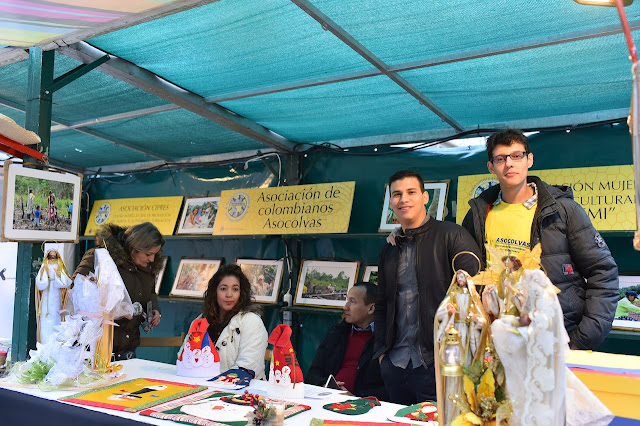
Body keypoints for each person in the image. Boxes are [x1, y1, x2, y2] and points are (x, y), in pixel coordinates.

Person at [461, 129, 618, 350]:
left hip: (556, 339)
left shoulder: (564, 211)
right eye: (501, 158)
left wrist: (581, 339)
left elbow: (603, 272)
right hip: (496, 342)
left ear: (529, 160)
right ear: (491, 166)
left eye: (517, 156)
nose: (509, 164)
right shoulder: (477, 215)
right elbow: (464, 273)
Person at [374, 170, 481, 405]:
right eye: (397, 194)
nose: (403, 199)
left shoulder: (453, 236)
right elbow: (381, 303)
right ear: (391, 201)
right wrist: (383, 355)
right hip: (396, 365)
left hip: (440, 365)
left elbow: (476, 298)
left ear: (425, 197)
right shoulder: (389, 248)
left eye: (411, 192)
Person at [74, 222, 163, 360]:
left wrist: (154, 310)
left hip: (127, 351)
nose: (152, 259)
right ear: (134, 247)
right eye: (148, 254)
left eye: (155, 254)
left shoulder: (147, 268)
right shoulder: (99, 258)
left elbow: (150, 293)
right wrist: (114, 310)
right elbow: (77, 291)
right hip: (94, 350)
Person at [307, 282, 388, 401]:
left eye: (353, 302)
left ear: (371, 308)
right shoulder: (336, 333)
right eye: (347, 300)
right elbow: (313, 373)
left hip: (365, 408)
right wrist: (325, 386)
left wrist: (358, 397)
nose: (345, 307)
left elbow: (393, 388)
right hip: (327, 400)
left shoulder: (386, 340)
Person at [192, 264, 268, 379]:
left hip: (243, 391)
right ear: (214, 292)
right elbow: (185, 357)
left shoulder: (252, 322)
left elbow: (247, 368)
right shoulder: (201, 320)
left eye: (235, 289)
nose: (229, 295)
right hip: (202, 386)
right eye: (223, 289)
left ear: (241, 293)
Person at [35, 249, 72, 344]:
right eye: (50, 254)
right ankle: (45, 342)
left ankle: (56, 342)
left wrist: (58, 274)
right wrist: (43, 273)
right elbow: (40, 283)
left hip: (56, 294)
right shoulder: (45, 264)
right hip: (47, 293)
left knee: (56, 315)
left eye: (54, 254)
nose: (52, 256)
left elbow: (66, 281)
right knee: (45, 317)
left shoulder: (59, 264)